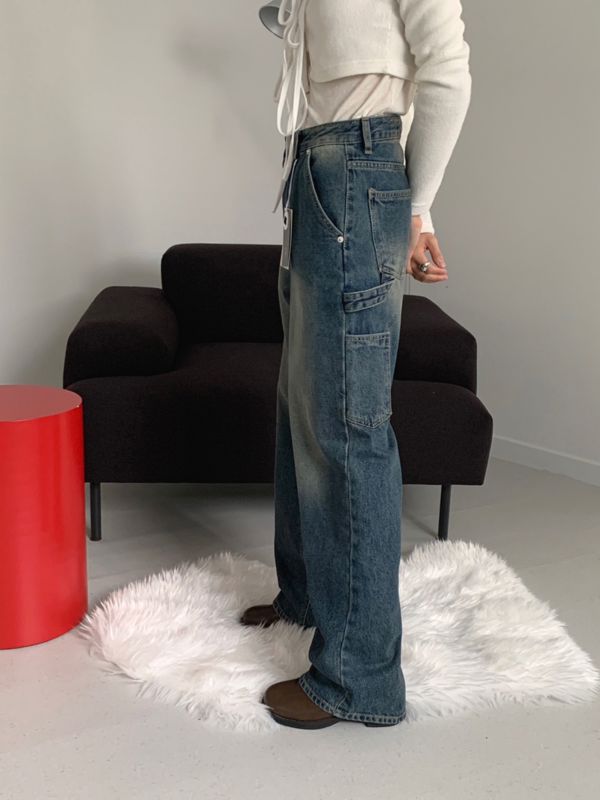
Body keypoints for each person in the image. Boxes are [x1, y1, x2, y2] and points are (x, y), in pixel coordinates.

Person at [242, 0, 472, 730]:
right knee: (302, 410)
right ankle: (306, 599)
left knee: (348, 426)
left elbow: (447, 72)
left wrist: (416, 208)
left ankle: (360, 679)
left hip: (355, 168)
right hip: (318, 172)